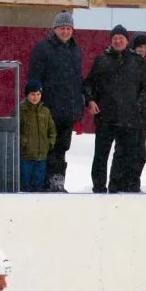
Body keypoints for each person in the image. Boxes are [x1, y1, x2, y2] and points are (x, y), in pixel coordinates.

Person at [83, 25, 146, 193]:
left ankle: (117, 186)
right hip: (105, 117)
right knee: (101, 155)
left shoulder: (137, 61)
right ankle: (98, 186)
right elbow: (88, 84)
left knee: (123, 155)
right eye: (114, 38)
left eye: (121, 38)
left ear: (127, 41)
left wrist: (138, 106)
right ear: (111, 41)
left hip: (128, 118)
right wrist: (90, 101)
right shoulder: (101, 60)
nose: (118, 41)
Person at [26, 11, 84, 192]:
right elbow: (34, 79)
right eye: (62, 28)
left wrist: (79, 106)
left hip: (68, 112)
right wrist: (36, 103)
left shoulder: (75, 50)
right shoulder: (42, 49)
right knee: (45, 148)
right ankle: (42, 183)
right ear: (54, 29)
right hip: (47, 110)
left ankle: (57, 182)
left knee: (61, 149)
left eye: (69, 28)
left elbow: (76, 81)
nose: (65, 32)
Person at [18, 81, 56, 192]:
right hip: (26, 157)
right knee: (25, 186)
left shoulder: (45, 111)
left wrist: (49, 143)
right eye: (32, 94)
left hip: (41, 158)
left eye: (38, 94)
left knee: (38, 186)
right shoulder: (21, 111)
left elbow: (52, 130)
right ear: (27, 95)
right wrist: (22, 142)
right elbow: (15, 130)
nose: (35, 97)